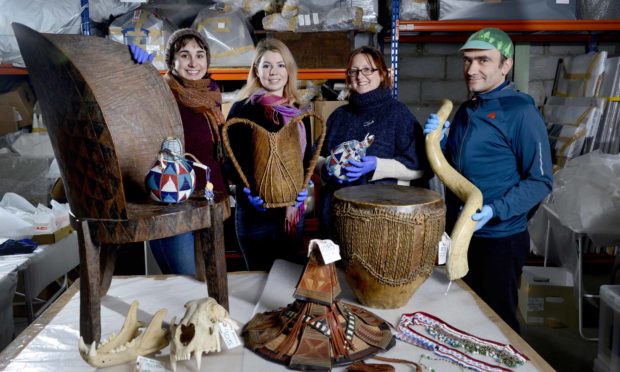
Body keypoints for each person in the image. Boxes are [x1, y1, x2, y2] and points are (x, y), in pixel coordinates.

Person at [423, 28, 553, 332]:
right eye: (468, 61)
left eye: (483, 60)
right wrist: (440, 142)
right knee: (462, 314)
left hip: (501, 240)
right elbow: (457, 169)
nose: (472, 69)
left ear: (505, 66)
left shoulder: (521, 111)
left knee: (497, 323)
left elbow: (541, 180)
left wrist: (496, 210)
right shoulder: (468, 109)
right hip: (462, 233)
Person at [130, 29, 228, 275]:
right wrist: (135, 68)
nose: (194, 63)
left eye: (199, 54)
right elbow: (131, 106)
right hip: (174, 203)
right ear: (171, 62)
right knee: (185, 282)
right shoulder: (160, 92)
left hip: (208, 201)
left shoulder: (211, 93)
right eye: (184, 55)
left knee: (207, 281)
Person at [317, 46, 430, 236]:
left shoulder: (397, 113)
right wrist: (326, 168)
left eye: (368, 69)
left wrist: (377, 166)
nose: (360, 76)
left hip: (383, 222)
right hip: (337, 219)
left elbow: (421, 167)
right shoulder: (339, 116)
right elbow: (315, 157)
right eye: (354, 71)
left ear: (382, 74)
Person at [225, 38, 311, 271]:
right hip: (255, 215)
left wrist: (306, 185)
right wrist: (246, 191)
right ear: (256, 71)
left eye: (280, 65)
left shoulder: (298, 111)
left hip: (290, 214)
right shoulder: (243, 108)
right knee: (257, 281)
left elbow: (307, 158)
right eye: (266, 66)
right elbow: (229, 159)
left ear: (289, 70)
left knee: (287, 281)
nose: (274, 72)